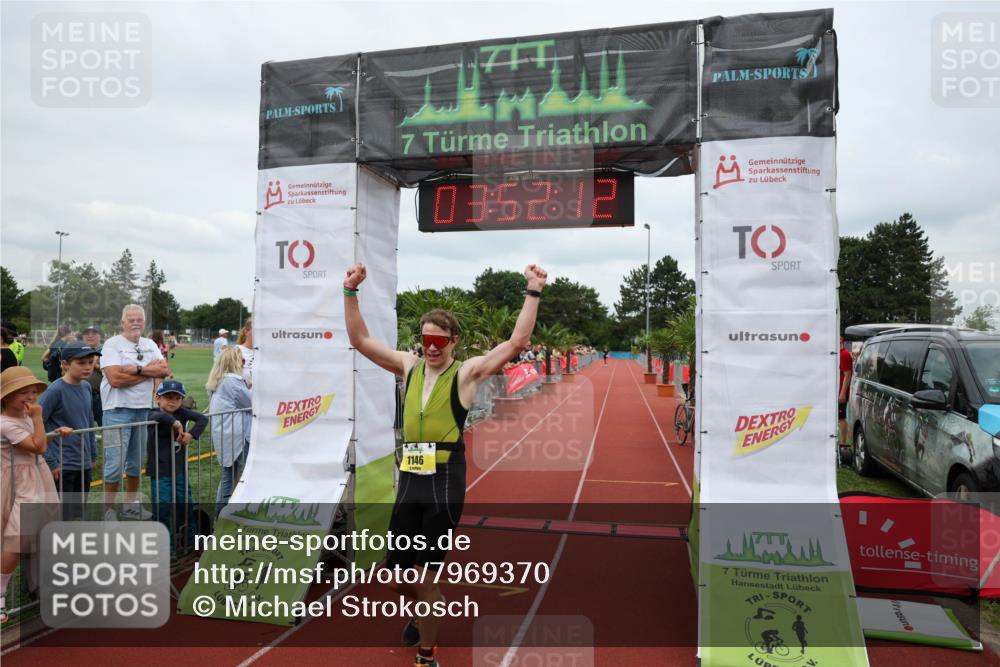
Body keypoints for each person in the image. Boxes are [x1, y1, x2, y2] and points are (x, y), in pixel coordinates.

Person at [343, 261, 548, 667]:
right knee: (400, 578)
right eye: (426, 340)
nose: (433, 348)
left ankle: (427, 655)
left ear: (454, 341)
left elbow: (516, 342)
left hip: (444, 483)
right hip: (409, 484)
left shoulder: (467, 374)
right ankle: (421, 615)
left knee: (424, 579)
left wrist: (534, 291)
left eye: (440, 341)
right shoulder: (408, 366)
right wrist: (349, 293)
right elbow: (361, 339)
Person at [1, 367, 71, 623]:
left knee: (42, 534)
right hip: (20, 483)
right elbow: (37, 446)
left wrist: (55, 433)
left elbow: (39, 442)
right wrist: (41, 421)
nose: (30, 397)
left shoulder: (27, 418)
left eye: (32, 392)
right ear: (6, 397)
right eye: (22, 393)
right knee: (17, 537)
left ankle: (40, 586)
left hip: (36, 478)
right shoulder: (6, 423)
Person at [100, 304, 172, 521]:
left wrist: (138, 369)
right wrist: (149, 373)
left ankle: (131, 506)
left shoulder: (149, 344)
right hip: (116, 410)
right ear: (122, 323)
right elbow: (115, 379)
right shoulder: (112, 344)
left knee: (135, 462)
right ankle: (108, 511)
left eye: (139, 319)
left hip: (143, 410)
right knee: (114, 463)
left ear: (144, 322)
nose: (135, 323)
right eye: (131, 319)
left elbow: (165, 370)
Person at [37, 341, 100, 521]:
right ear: (65, 364)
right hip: (62, 465)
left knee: (78, 513)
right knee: (60, 516)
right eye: (81, 363)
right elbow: (37, 424)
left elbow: (88, 421)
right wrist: (51, 461)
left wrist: (92, 456)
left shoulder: (87, 387)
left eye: (90, 362)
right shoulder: (54, 390)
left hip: (83, 463)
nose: (88, 367)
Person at [146, 380, 207, 556]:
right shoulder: (152, 413)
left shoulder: (182, 412)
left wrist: (191, 434)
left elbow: (203, 419)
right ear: (157, 398)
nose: (172, 402)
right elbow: (157, 417)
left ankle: (191, 541)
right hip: (160, 471)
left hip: (179, 470)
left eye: (177, 398)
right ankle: (167, 547)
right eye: (168, 397)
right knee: (162, 508)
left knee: (185, 504)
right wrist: (175, 423)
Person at [206, 347, 252, 513]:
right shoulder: (234, 382)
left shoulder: (217, 381)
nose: (244, 364)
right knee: (244, 474)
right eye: (243, 361)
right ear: (235, 362)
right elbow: (252, 404)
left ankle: (220, 515)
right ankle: (236, 512)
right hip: (238, 435)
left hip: (223, 433)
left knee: (228, 475)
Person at [80, 326, 104, 426]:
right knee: (83, 424)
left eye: (93, 333)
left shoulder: (105, 350)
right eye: (87, 333)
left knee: (105, 425)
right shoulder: (78, 350)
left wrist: (97, 365)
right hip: (81, 394)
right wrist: (95, 361)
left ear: (100, 336)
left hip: (100, 396)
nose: (90, 336)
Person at [838, 336, 854, 456]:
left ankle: (843, 444)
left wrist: (843, 393)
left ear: (842, 343)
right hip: (837, 391)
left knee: (841, 418)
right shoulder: (837, 354)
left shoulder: (844, 355)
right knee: (839, 417)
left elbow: (848, 374)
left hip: (841, 393)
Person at [236, 319, 254, 388]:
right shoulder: (237, 351)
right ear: (246, 332)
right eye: (256, 331)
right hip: (243, 396)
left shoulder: (264, 353)